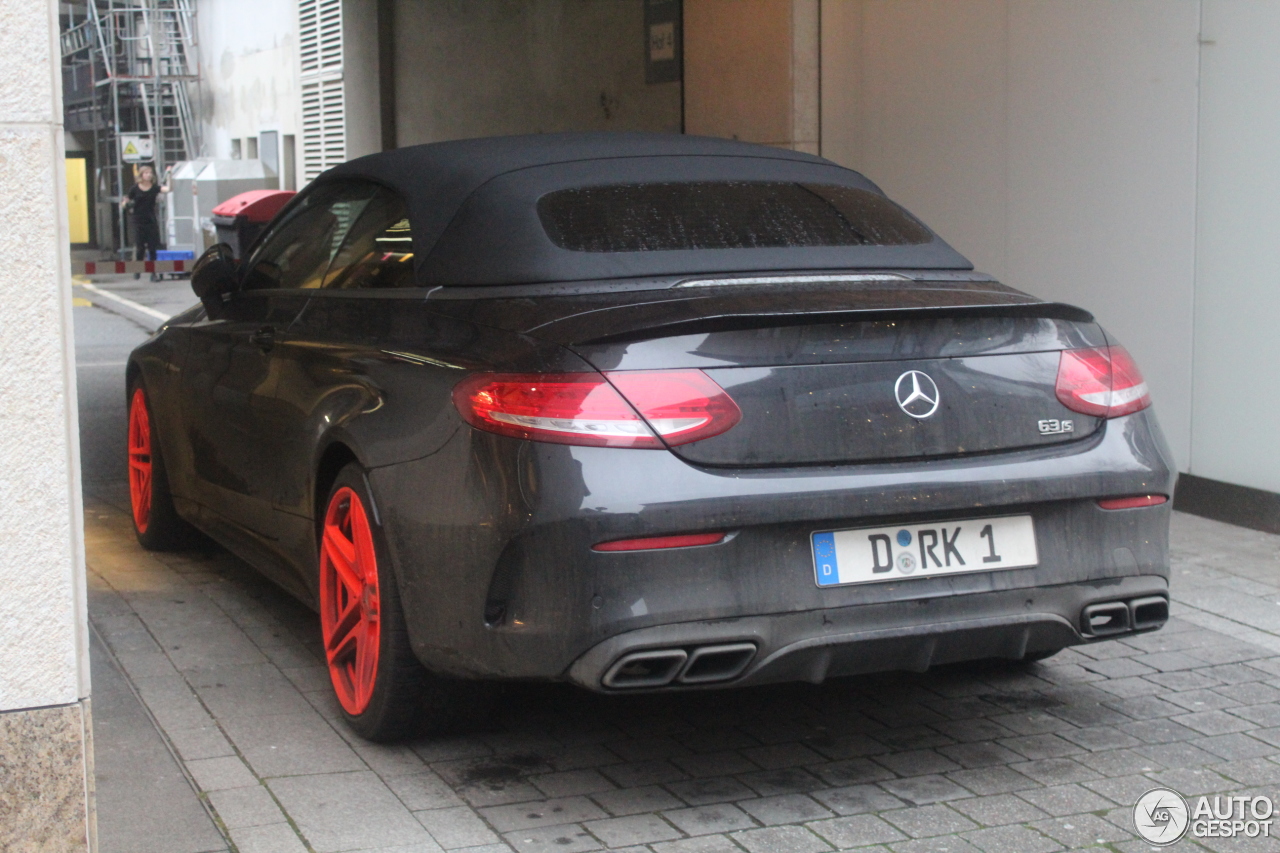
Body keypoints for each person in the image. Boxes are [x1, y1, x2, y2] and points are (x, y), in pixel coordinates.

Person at [125, 164, 171, 280]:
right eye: (146, 173)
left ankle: (153, 273)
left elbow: (168, 189)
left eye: (150, 173)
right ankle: (138, 269)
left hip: (150, 220)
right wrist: (126, 205)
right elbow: (125, 201)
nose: (148, 175)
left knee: (152, 247)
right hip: (138, 220)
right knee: (140, 247)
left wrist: (169, 176)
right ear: (141, 175)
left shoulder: (154, 188)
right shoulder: (134, 189)